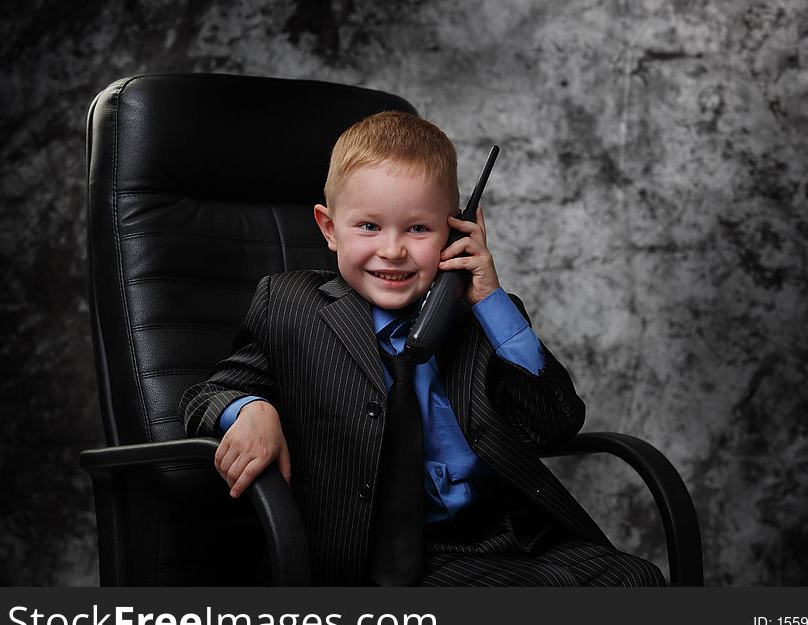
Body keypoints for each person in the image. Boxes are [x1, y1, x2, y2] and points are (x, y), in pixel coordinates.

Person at [179, 111, 665, 586]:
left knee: (634, 579)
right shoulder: (289, 305)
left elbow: (554, 426)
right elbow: (208, 394)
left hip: (503, 537)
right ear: (329, 228)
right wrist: (251, 409)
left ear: (456, 232)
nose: (392, 250)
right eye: (369, 226)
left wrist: (490, 304)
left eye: (418, 229)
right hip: (374, 557)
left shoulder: (483, 316)